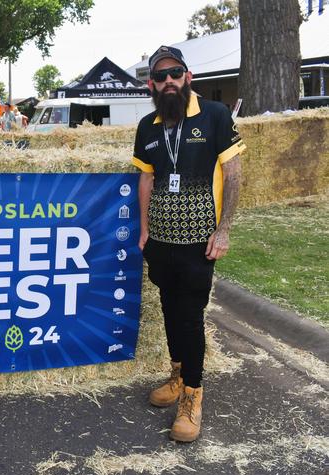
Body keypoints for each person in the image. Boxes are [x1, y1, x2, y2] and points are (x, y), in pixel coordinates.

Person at [133, 45, 244, 443]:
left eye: (175, 73)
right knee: (167, 305)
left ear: (188, 76)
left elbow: (233, 174)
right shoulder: (147, 125)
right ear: (152, 84)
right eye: (160, 76)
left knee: (189, 315)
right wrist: (144, 229)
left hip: (199, 239)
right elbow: (146, 180)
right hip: (160, 239)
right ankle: (178, 376)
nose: (168, 81)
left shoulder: (215, 116)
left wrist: (224, 229)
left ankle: (193, 398)